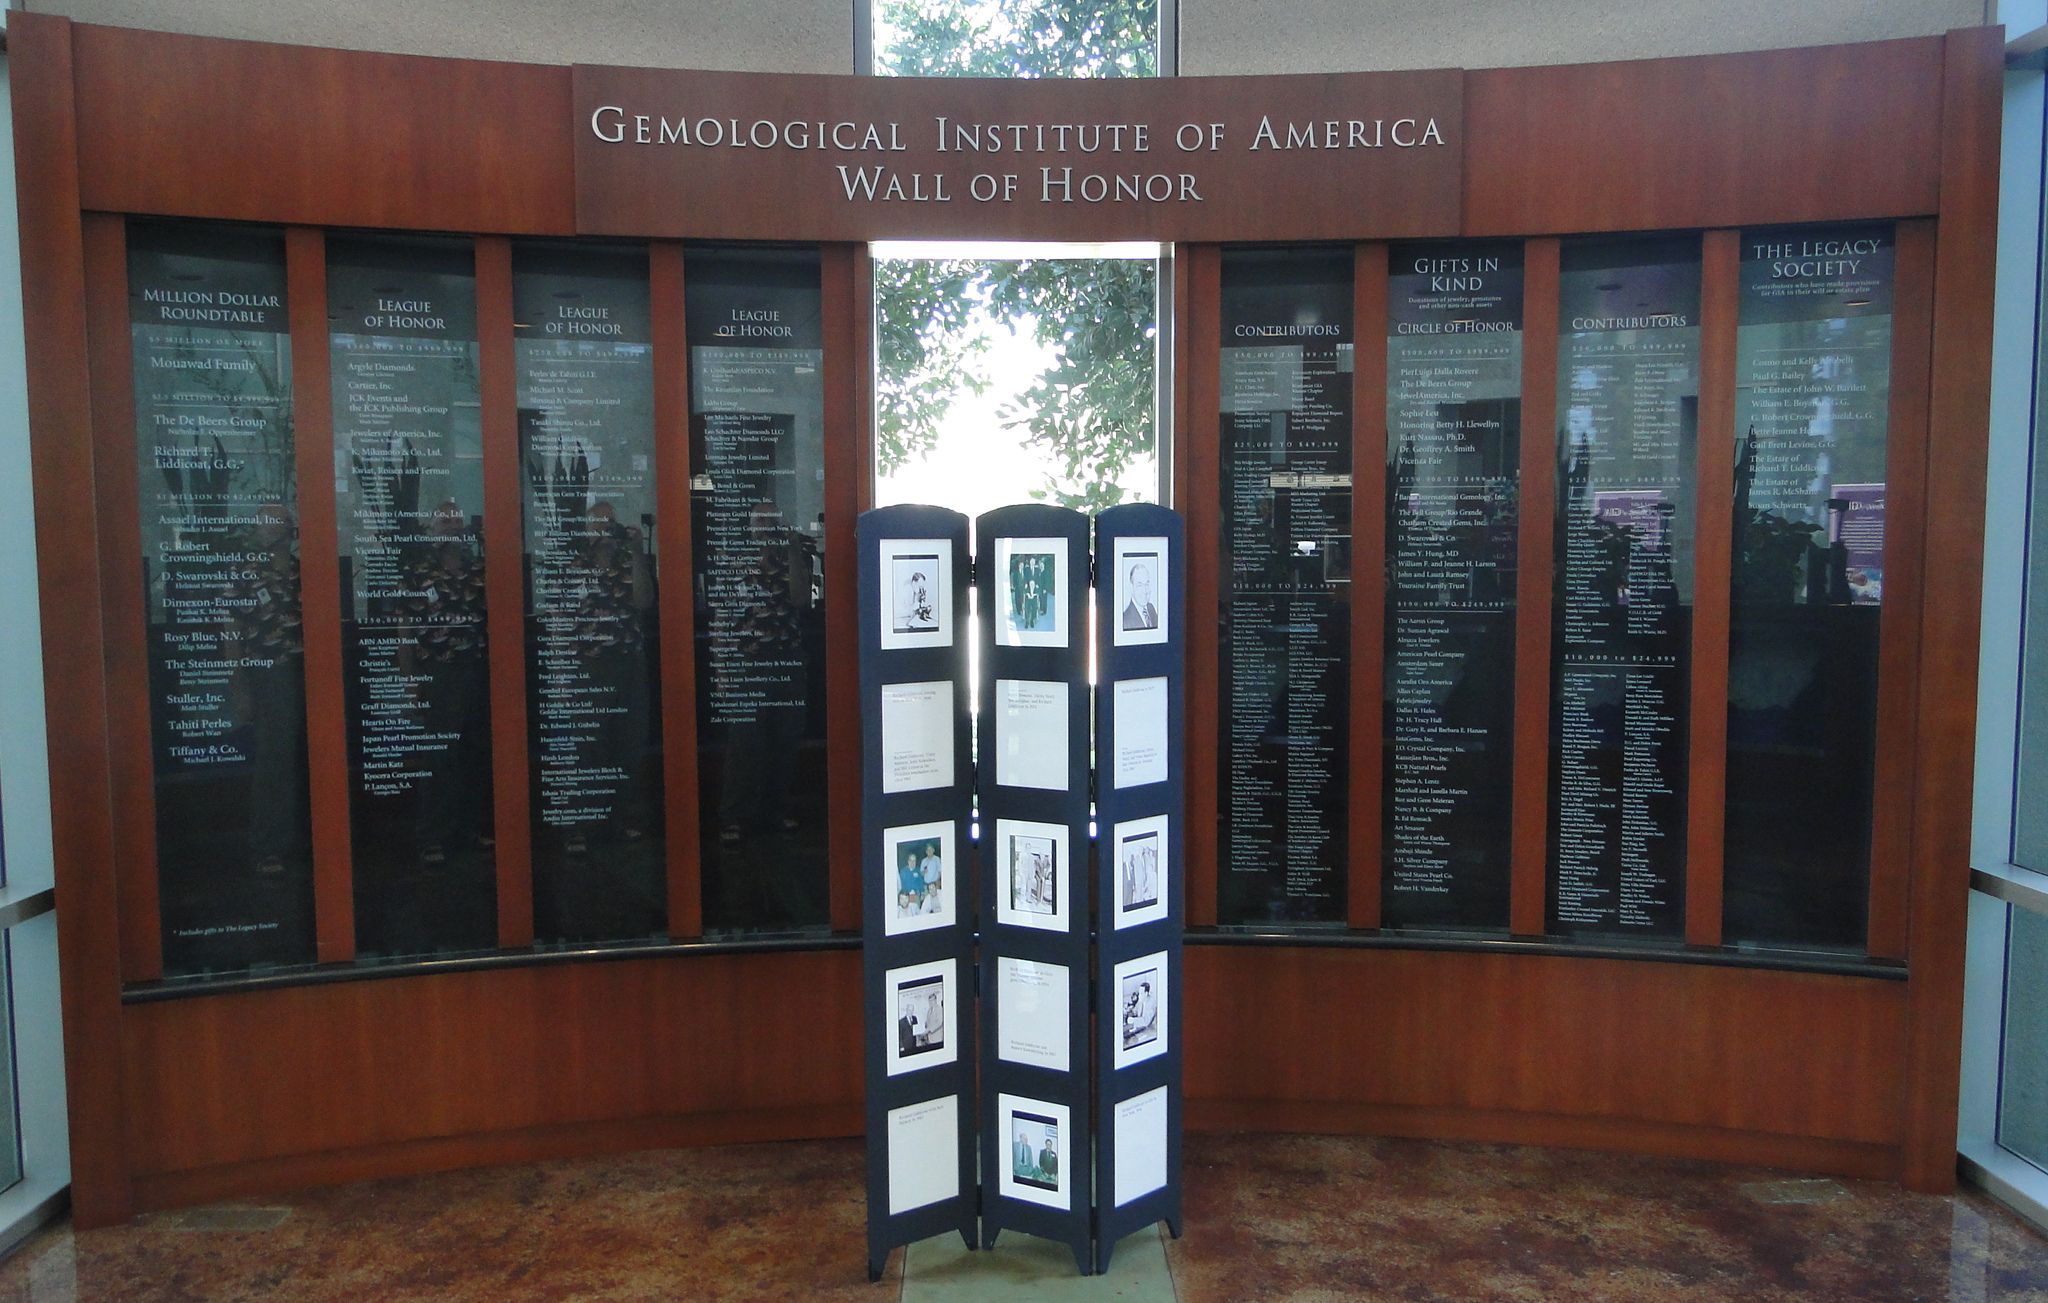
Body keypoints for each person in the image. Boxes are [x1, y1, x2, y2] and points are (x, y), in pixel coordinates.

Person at [1122, 561, 1159, 630]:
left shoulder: (1151, 608)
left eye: (1147, 584)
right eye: (1140, 585)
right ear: (1131, 587)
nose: (1145, 590)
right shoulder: (1125, 620)